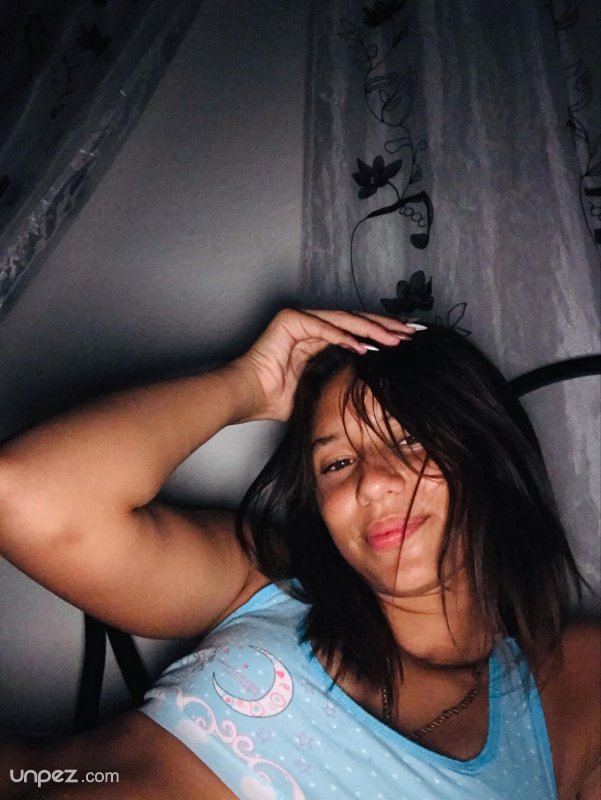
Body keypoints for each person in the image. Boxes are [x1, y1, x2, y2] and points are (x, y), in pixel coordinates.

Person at [0, 308, 599, 800]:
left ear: (490, 455)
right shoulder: (274, 579)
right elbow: (23, 496)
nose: (371, 483)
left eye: (410, 439)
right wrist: (247, 385)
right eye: (337, 462)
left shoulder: (570, 678)